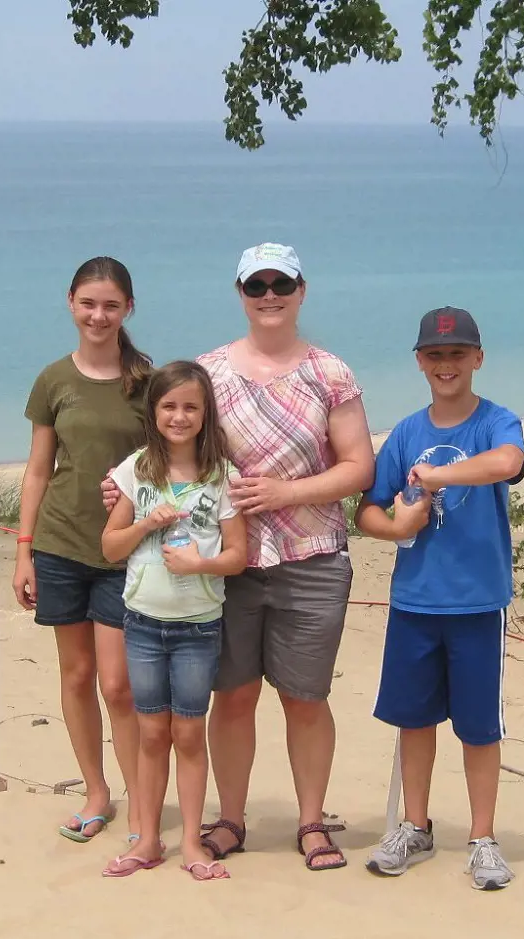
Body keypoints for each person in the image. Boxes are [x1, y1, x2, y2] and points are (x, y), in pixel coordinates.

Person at [103, 242, 374, 870]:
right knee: (234, 696)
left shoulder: (331, 373)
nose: (271, 295)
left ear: (303, 290)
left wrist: (286, 492)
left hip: (311, 555)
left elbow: (360, 468)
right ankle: (230, 820)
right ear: (241, 294)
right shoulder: (211, 371)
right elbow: (170, 445)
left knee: (306, 696)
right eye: (258, 286)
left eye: (283, 283)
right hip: (226, 570)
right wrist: (123, 485)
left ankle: (311, 821)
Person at [356, 306, 524, 890]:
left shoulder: (495, 421)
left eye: (457, 354)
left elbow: (508, 462)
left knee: (479, 727)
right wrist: (398, 528)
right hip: (415, 603)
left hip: (479, 603)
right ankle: (415, 826)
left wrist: (434, 478)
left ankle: (483, 838)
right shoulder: (405, 433)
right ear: (420, 361)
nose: (446, 364)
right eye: (435, 355)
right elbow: (368, 510)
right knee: (414, 719)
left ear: (477, 358)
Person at [13, 257, 150, 843]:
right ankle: (98, 794)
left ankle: (143, 802)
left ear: (128, 309)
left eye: (111, 305)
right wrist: (23, 552)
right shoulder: (52, 381)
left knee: (119, 685)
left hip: (124, 548)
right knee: (75, 676)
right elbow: (39, 470)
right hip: (60, 542)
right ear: (71, 303)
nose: (99, 315)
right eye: (89, 303)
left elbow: (172, 458)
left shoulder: (147, 381)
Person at [100, 361, 247, 880]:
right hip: (142, 624)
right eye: (169, 406)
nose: (179, 416)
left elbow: (238, 556)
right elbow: (110, 545)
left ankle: (190, 842)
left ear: (206, 414)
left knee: (188, 734)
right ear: (153, 412)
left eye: (190, 407)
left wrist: (199, 564)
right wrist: (145, 522)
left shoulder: (222, 476)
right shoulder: (136, 471)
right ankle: (146, 840)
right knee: (150, 733)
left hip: (198, 627)